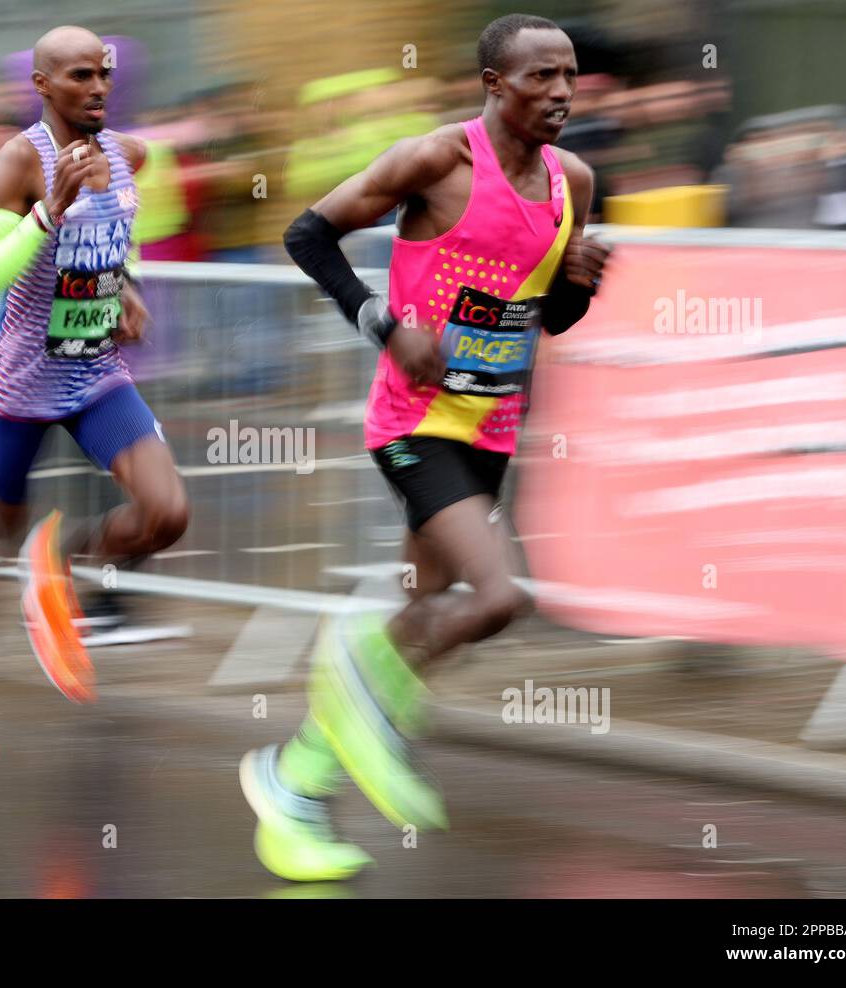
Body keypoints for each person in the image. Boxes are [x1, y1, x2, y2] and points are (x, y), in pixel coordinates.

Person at [239, 13, 611, 881]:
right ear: (493, 84)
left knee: (419, 614)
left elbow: (544, 315)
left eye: (570, 76)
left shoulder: (576, 183)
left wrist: (582, 290)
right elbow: (307, 234)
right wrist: (384, 323)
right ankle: (355, 677)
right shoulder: (434, 162)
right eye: (540, 78)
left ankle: (291, 784)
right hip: (413, 423)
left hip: (491, 426)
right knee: (494, 598)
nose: (561, 93)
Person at [0, 25, 189, 767]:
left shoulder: (129, 155)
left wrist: (129, 290)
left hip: (94, 376)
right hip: (21, 387)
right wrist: (48, 210)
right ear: (44, 86)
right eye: (80, 76)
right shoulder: (21, 161)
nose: (98, 88)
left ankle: (61, 571)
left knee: (168, 513)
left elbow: (121, 238)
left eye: (104, 75)